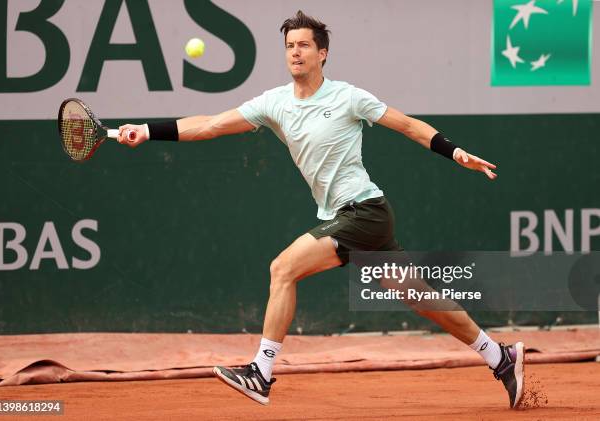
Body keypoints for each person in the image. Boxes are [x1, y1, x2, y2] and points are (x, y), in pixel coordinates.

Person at [118, 10, 525, 409]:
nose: (295, 53)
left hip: (364, 212)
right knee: (417, 294)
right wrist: (147, 131)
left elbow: (407, 125)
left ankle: (260, 372)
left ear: (322, 53)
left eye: (304, 46)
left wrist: (455, 153)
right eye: (290, 46)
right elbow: (210, 124)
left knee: (283, 268)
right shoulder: (273, 103)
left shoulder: (348, 97)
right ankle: (499, 356)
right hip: (351, 217)